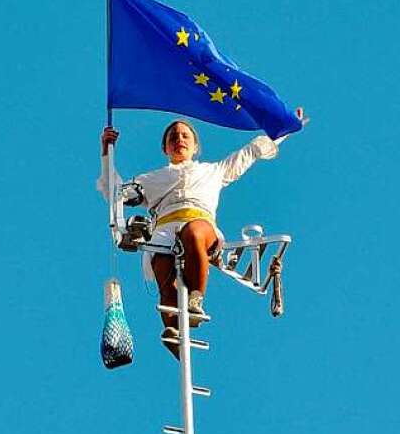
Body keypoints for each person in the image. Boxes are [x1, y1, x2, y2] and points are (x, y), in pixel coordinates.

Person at [97, 116, 301, 355]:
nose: (179, 139)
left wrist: (283, 127)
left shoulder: (214, 171)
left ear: (196, 146)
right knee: (162, 269)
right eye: (173, 137)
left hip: (201, 228)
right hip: (164, 230)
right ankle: (173, 330)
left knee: (193, 232)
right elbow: (115, 193)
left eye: (185, 136)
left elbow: (251, 152)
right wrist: (106, 154)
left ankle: (196, 299)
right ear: (165, 148)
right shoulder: (152, 179)